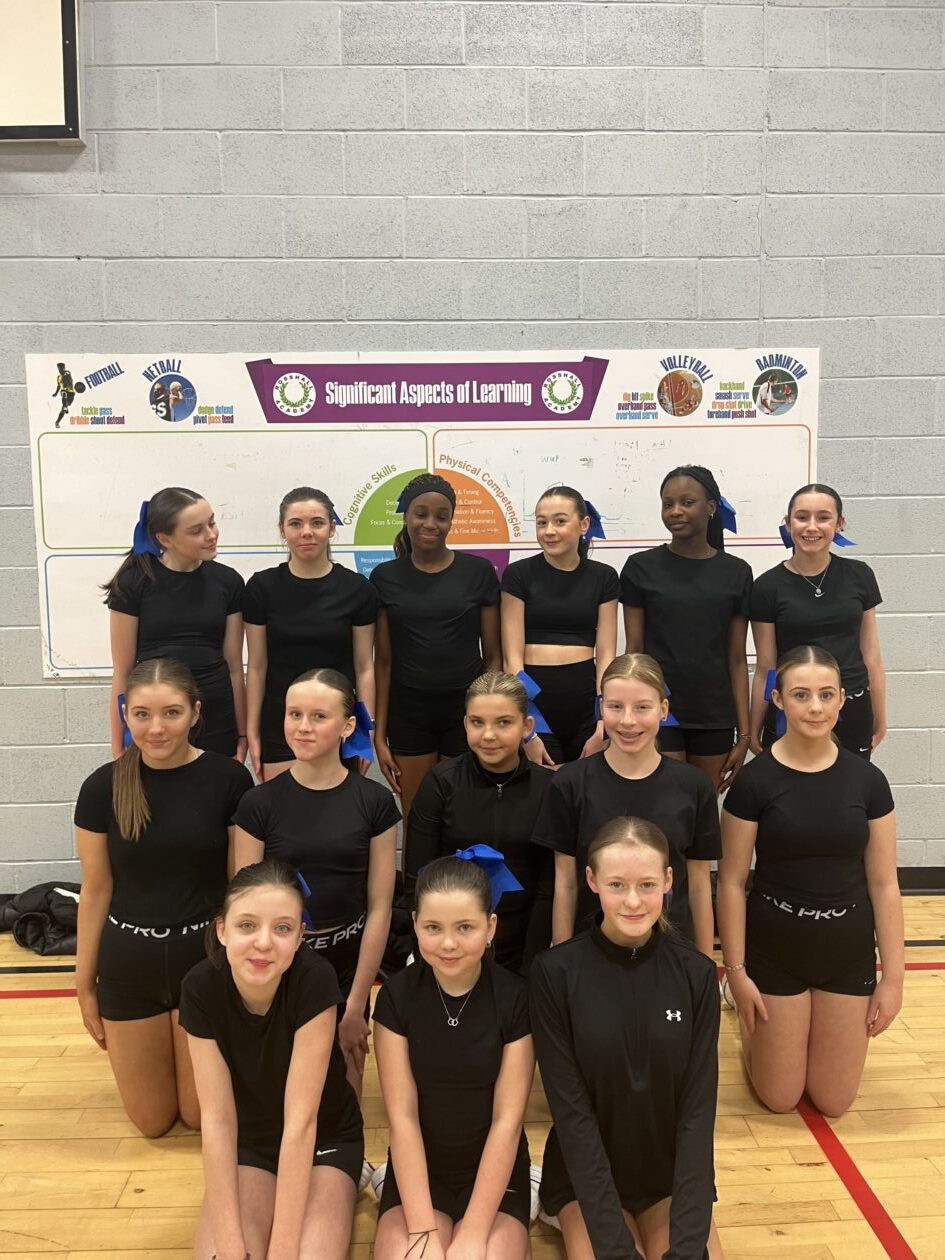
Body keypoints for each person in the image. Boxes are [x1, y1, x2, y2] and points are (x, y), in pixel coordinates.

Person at [718, 644, 903, 1117]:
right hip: (776, 949)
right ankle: (751, 1029)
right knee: (780, 1098)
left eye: (825, 694)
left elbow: (884, 884)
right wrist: (736, 973)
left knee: (833, 1102)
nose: (815, 707)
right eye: (801, 695)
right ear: (778, 699)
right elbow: (732, 882)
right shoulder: (754, 783)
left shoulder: (868, 782)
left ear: (841, 699)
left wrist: (893, 980)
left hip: (846, 949)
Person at [74, 657, 253, 1137]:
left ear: (195, 712)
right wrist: (84, 984)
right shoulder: (101, 787)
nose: (156, 728)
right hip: (129, 964)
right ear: (124, 714)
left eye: (171, 712)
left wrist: (243, 972)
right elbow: (95, 890)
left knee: (197, 1117)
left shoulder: (229, 780)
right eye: (142, 714)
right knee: (152, 1123)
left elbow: (241, 886)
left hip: (204, 959)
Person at [530, 817, 722, 1260]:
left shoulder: (695, 975)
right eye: (617, 885)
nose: (633, 901)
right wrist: (617, 1250)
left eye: (646, 885)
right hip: (587, 1178)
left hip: (669, 1178)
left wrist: (687, 1247)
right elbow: (572, 1115)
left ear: (668, 881)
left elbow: (698, 1113)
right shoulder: (555, 974)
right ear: (592, 880)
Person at [180, 859, 364, 1260]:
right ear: (222, 930)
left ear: (299, 937)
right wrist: (231, 1246)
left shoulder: (315, 980)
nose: (264, 942)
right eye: (247, 925)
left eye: (282, 928)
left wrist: (283, 1247)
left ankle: (350, 1180)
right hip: (251, 1144)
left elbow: (302, 1123)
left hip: (323, 1141)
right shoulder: (199, 988)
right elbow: (217, 1121)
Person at [233, 667, 399, 1093]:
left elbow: (380, 907)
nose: (302, 727)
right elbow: (243, 910)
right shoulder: (258, 803)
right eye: (294, 714)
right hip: (280, 968)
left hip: (347, 967)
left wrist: (357, 1004)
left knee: (343, 1095)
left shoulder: (375, 802)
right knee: (282, 1095)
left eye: (318, 716)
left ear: (348, 726)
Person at [372, 854, 534, 1260]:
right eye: (433, 928)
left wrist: (474, 1233)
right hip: (420, 1171)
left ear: (490, 927)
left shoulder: (515, 998)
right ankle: (387, 1183)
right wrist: (423, 1228)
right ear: (415, 925)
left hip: (495, 1173)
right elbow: (402, 1117)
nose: (448, 943)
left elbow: (507, 1122)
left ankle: (529, 1189)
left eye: (465, 927)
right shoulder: (395, 998)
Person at [533, 653, 720, 959]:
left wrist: (704, 963)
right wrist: (562, 962)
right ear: (600, 708)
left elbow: (699, 884)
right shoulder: (570, 783)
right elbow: (566, 883)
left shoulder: (694, 786)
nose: (628, 721)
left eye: (642, 707)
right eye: (615, 706)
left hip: (671, 955)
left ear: (663, 710)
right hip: (592, 954)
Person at [371, 473, 502, 821]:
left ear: (451, 521)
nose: (431, 523)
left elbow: (493, 657)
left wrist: (488, 717)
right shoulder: (385, 577)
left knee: (464, 819)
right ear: (406, 517)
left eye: (441, 516)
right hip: (408, 714)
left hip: (466, 712)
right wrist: (379, 736)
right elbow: (383, 662)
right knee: (418, 819)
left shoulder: (478, 572)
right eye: (421, 514)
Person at [406, 671, 555, 974]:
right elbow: (417, 877)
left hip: (521, 948)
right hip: (450, 947)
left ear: (527, 726)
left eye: (503, 723)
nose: (488, 735)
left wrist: (532, 965)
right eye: (477, 722)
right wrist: (430, 954)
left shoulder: (547, 789)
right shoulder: (441, 783)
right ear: (465, 724)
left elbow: (547, 887)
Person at [621, 465, 752, 792]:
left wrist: (745, 735)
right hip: (658, 709)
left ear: (711, 507)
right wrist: (627, 713)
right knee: (664, 806)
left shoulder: (736, 572)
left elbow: (737, 659)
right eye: (668, 504)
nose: (675, 511)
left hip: (714, 714)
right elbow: (634, 651)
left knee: (703, 806)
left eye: (687, 502)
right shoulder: (640, 568)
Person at [103, 487, 246, 761]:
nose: (211, 535)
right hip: (157, 720)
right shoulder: (134, 582)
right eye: (196, 530)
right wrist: (118, 739)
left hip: (216, 715)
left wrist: (242, 734)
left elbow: (235, 669)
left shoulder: (228, 582)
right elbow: (122, 671)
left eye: (212, 523)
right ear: (164, 538)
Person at [244, 486, 377, 781]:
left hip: (337, 724)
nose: (307, 532)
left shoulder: (358, 590)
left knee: (337, 809)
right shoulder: (261, 588)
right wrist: (252, 731)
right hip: (281, 722)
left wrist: (365, 730)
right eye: (295, 524)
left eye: (317, 523)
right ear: (282, 530)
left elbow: (364, 667)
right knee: (282, 807)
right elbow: (256, 667)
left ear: (332, 528)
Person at [749, 483, 886, 760]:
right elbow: (766, 667)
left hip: (851, 703)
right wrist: (752, 729)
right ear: (788, 523)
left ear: (839, 524)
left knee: (849, 784)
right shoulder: (767, 587)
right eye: (802, 517)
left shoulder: (859, 575)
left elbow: (872, 657)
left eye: (823, 517)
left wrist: (880, 720)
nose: (811, 527)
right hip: (793, 707)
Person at [501, 484, 618, 766]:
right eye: (541, 523)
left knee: (585, 785)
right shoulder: (518, 574)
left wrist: (603, 719)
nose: (549, 531)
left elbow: (606, 655)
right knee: (542, 785)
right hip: (535, 704)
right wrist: (527, 726)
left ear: (584, 524)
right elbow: (511, 658)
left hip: (585, 703)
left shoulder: (604, 577)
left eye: (560, 521)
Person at [52, 361, 75, 428]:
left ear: (64, 368)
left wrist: (65, 373)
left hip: (71, 393)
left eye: (61, 368)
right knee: (63, 394)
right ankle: (57, 422)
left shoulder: (67, 373)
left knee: (66, 407)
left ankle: (66, 406)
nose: (60, 370)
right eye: (59, 369)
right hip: (64, 392)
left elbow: (67, 378)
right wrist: (56, 393)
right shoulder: (58, 377)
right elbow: (59, 386)